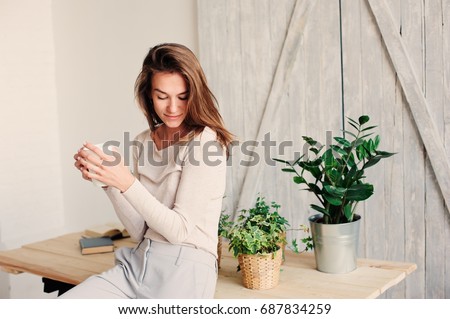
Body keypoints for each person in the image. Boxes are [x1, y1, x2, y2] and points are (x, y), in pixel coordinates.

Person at [62, 43, 233, 298]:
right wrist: (109, 182)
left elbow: (178, 230)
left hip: (185, 268)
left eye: (182, 96)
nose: (172, 107)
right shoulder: (143, 141)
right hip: (136, 265)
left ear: (195, 94)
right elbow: (140, 230)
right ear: (149, 95)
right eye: (162, 96)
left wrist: (127, 182)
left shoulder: (206, 142)